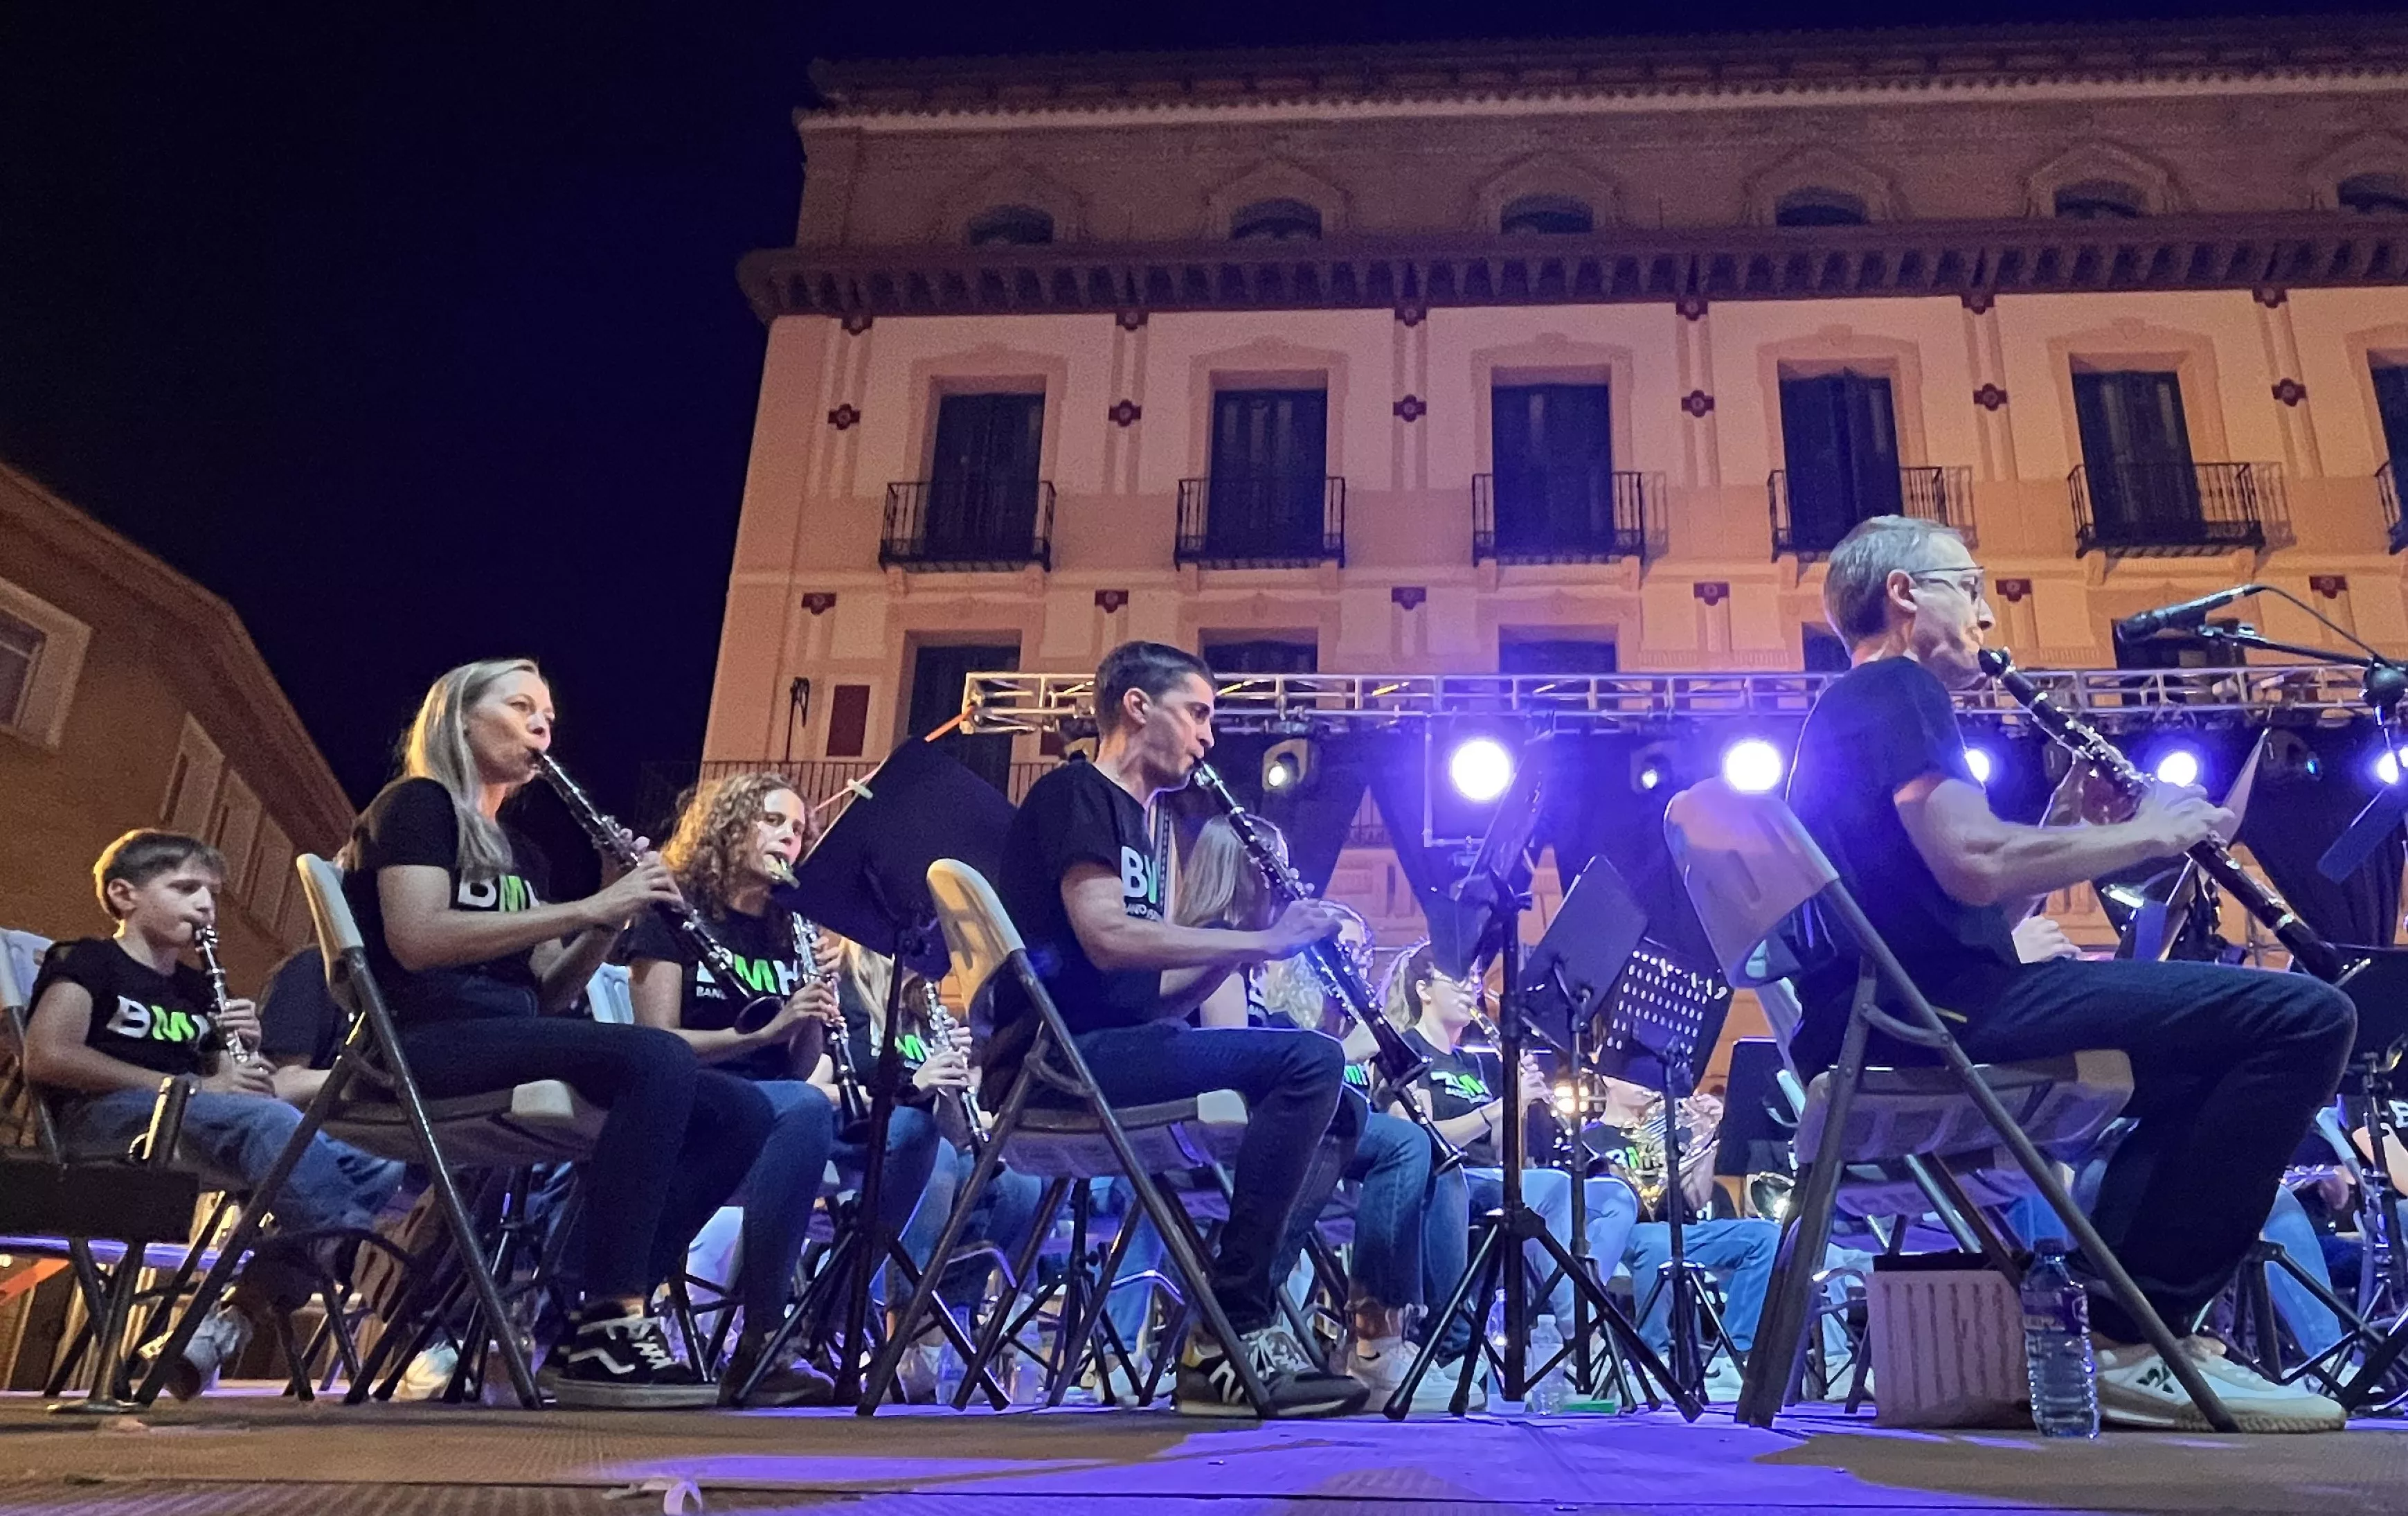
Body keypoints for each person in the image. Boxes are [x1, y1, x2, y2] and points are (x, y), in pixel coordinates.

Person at [1782, 514, 2357, 1433]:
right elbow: (1972, 860)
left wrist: (2061, 819)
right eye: (1967, 585)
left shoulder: (1858, 714)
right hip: (1939, 1013)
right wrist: (2150, 830)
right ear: (1903, 593)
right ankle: (2134, 1331)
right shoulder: (1893, 688)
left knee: (2199, 1061)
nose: (1983, 608)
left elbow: (1968, 913)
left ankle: (2122, 1324)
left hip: (1912, 1001)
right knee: (2305, 1019)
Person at [342, 658, 773, 1408]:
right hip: (420, 1039)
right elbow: (416, 937)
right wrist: (587, 906)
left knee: (742, 1110)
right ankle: (611, 1316)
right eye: (520, 707)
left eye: (548, 714)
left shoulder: (522, 852)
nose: (543, 725)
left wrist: (613, 916)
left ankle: (592, 1311)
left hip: (504, 1038)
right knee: (659, 1054)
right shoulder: (415, 805)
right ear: (459, 717)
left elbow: (549, 991)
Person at [988, 639, 1367, 1417]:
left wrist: (1238, 947)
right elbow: (1107, 938)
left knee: (1343, 1104)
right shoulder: (1075, 795)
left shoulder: (1145, 824)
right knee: (1307, 1062)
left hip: (1115, 1046)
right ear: (1137, 706)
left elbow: (1141, 995)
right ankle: (1236, 1330)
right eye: (1197, 712)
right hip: (1058, 1063)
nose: (1208, 735)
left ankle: (1226, 1322)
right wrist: (1259, 941)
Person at [24, 830, 403, 1397]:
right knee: (273, 1126)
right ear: (124, 895)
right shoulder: (89, 961)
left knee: (378, 1160)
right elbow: (47, 1054)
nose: (204, 905)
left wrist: (239, 1054)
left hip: (182, 1126)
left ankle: (228, 1320)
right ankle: (357, 1255)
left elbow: (233, 1090)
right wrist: (193, 1086)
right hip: (98, 1123)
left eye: (212, 893)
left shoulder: (198, 988)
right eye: (185, 888)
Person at [626, 771, 851, 1405]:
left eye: (799, 829)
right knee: (804, 1107)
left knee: (908, 1133)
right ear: (729, 825)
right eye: (773, 821)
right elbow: (658, 1043)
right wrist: (759, 1034)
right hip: (689, 1097)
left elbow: (801, 1061)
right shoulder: (673, 912)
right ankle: (762, 1339)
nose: (790, 837)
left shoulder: (790, 931)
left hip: (773, 1110)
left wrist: (810, 1011)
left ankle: (830, 1327)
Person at [1385, 940, 1572, 1365]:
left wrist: (1519, 1104)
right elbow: (1420, 1137)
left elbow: (1503, 1152)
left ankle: (1568, 1326)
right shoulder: (1406, 1049)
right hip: (1440, 1176)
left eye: (1473, 978)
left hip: (1484, 1179)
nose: (1471, 987)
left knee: (1600, 1195)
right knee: (1553, 1188)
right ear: (1424, 990)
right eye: (1459, 978)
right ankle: (1574, 1331)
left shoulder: (1474, 1063)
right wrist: (1499, 1108)